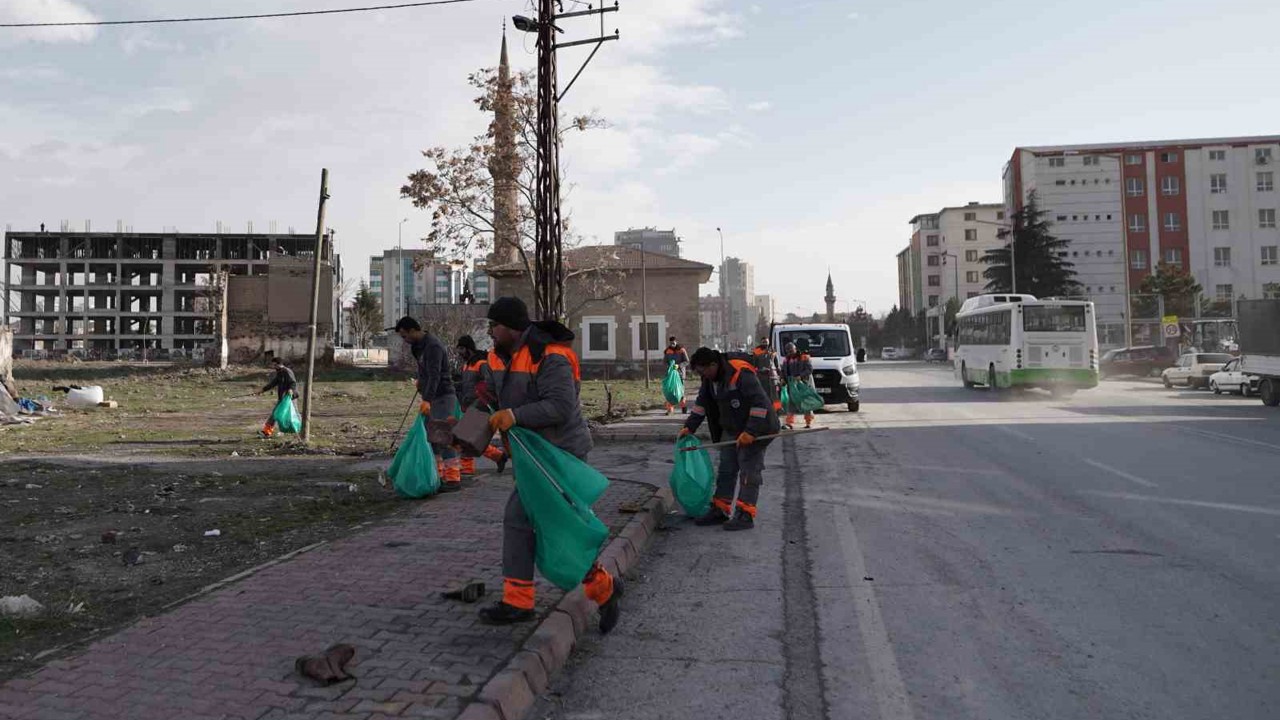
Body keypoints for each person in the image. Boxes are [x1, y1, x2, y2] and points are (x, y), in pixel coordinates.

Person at [478, 296, 622, 632]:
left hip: (561, 454)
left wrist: (514, 415)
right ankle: (520, 601)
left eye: (495, 325)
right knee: (526, 520)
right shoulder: (503, 356)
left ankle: (602, 590)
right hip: (535, 457)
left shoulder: (551, 355)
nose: (491, 332)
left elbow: (559, 406)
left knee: (556, 525)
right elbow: (507, 397)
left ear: (512, 326)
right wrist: (488, 402)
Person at [680, 347, 781, 531]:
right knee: (726, 467)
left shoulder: (740, 373)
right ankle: (721, 508)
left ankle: (745, 514)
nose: (703, 375)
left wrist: (751, 432)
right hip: (733, 426)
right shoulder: (709, 378)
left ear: (713, 364)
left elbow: (760, 404)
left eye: (703, 371)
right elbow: (702, 404)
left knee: (748, 469)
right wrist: (689, 427)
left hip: (758, 427)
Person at [392, 316, 462, 493]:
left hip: (443, 396)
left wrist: (428, 399)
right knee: (433, 438)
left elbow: (435, 375)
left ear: (413, 331)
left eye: (404, 336)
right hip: (432, 395)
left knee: (443, 436)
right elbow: (425, 373)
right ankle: (435, 476)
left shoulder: (433, 346)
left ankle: (453, 478)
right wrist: (421, 384)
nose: (404, 340)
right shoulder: (418, 346)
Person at [455, 335, 507, 475]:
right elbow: (466, 384)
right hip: (467, 405)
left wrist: (482, 400)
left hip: (480, 406)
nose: (459, 352)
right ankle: (498, 456)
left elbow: (488, 384)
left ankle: (467, 468)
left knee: (466, 437)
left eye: (461, 348)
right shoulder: (467, 364)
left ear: (468, 348)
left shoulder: (481, 363)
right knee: (469, 438)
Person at [255, 357, 297, 438]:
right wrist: (263, 390)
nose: (273, 366)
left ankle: (295, 430)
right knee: (275, 414)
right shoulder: (279, 372)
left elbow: (293, 382)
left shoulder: (287, 371)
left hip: (289, 398)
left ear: (279, 364)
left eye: (274, 364)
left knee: (289, 415)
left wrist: (291, 389)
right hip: (282, 398)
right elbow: (273, 383)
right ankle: (267, 432)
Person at [781, 341, 816, 430]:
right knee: (791, 404)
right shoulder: (786, 360)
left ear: (795, 349)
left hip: (803, 385)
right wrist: (783, 379)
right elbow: (783, 371)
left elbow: (809, 369)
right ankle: (789, 423)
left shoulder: (804, 357)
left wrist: (800, 376)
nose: (790, 353)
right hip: (792, 385)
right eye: (788, 352)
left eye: (792, 351)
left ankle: (808, 422)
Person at [751, 337, 783, 416]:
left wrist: (780, 376)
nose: (765, 344)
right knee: (763, 395)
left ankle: (777, 411)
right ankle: (764, 412)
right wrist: (759, 370)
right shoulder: (756, 351)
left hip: (773, 377)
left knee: (775, 395)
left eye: (766, 342)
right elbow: (753, 365)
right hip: (761, 377)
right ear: (761, 342)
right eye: (763, 342)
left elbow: (777, 365)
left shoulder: (772, 351)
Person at [662, 336, 690, 415]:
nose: (672, 344)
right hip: (671, 375)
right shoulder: (667, 351)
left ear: (676, 342)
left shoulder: (681, 350)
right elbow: (664, 362)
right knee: (670, 391)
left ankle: (683, 406)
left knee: (680, 391)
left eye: (674, 342)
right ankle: (670, 410)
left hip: (680, 374)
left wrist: (679, 366)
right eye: (671, 343)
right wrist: (669, 366)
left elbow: (687, 361)